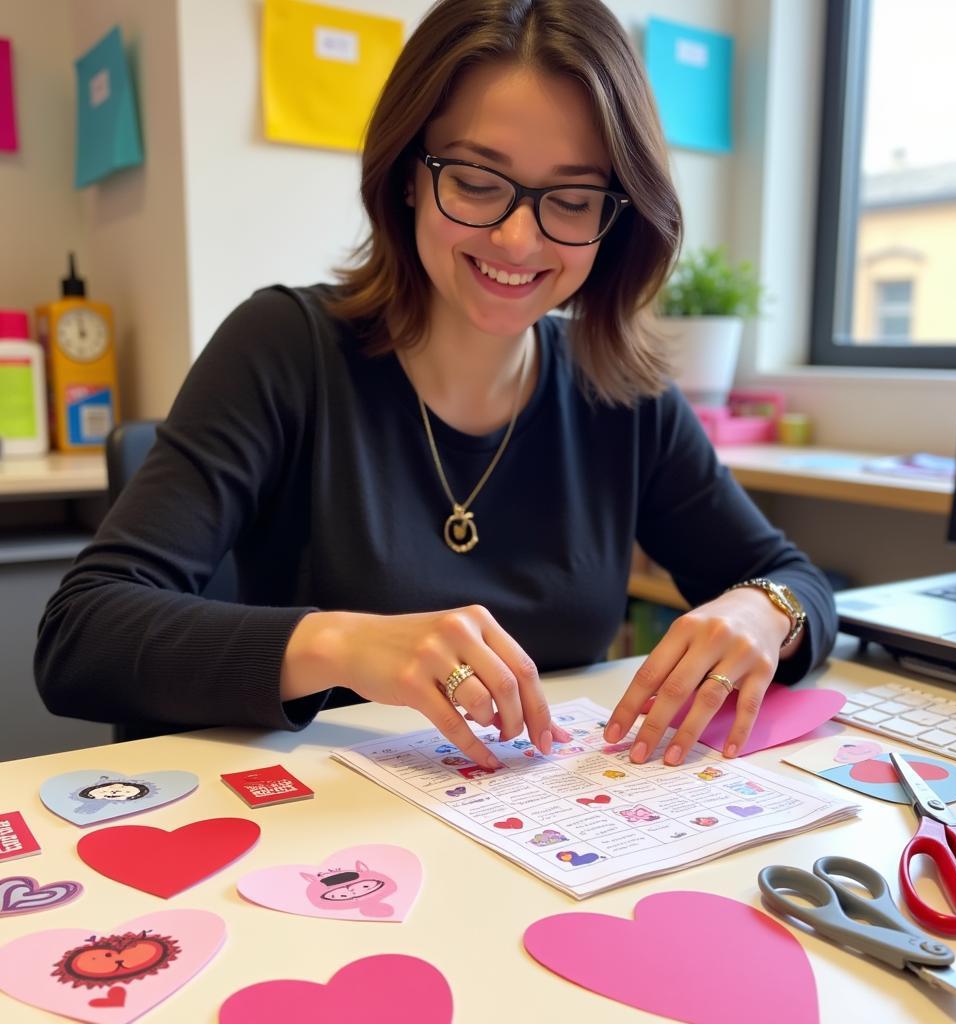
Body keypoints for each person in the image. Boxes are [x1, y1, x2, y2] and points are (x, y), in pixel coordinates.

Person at [36, 0, 837, 770]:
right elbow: (82, 633)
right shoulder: (286, 347)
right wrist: (341, 643)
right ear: (411, 174)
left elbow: (795, 579)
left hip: (545, 839)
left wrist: (765, 610)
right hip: (325, 847)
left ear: (615, 214)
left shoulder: (619, 391)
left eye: (572, 198)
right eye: (478, 182)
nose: (519, 239)